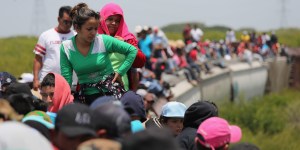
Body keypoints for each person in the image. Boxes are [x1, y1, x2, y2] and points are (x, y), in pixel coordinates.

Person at [60, 3, 137, 105]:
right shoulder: (66, 47)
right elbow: (66, 80)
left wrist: (120, 72)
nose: (93, 33)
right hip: (85, 97)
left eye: (96, 28)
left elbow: (132, 50)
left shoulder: (103, 40)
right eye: (89, 29)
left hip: (109, 94)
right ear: (77, 28)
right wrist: (65, 102)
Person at [98, 2, 146, 91]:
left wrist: (125, 45)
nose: (114, 23)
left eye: (117, 21)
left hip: (122, 89)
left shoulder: (127, 38)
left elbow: (141, 62)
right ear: (102, 19)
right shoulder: (94, 37)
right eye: (110, 19)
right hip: (97, 89)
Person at [33, 6, 76, 91]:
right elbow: (38, 59)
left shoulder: (76, 36)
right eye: (65, 21)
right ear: (58, 19)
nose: (68, 25)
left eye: (70, 22)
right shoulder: (46, 35)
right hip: (47, 82)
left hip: (69, 83)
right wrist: (36, 79)